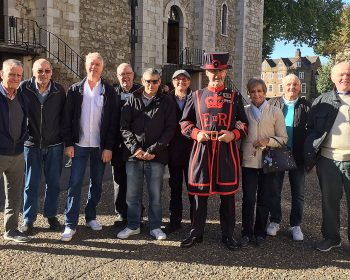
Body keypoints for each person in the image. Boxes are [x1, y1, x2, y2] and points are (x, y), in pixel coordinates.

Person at [179, 52, 248, 249]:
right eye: (212, 71)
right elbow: (184, 123)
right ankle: (196, 233)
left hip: (226, 153)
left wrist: (233, 135)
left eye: (219, 70)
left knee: (227, 197)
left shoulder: (234, 97)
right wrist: (195, 134)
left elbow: (244, 125)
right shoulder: (196, 96)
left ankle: (227, 235)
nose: (216, 74)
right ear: (206, 72)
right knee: (199, 196)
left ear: (225, 72)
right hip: (202, 151)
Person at [61, 52, 118, 242]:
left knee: (97, 183)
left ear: (102, 67)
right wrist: (68, 143)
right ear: (86, 66)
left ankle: (91, 216)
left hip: (99, 147)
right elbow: (67, 119)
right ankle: (70, 223)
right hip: (79, 145)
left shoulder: (109, 91)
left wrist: (109, 147)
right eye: (91, 64)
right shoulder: (76, 89)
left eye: (97, 64)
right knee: (75, 183)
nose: (94, 67)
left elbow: (112, 123)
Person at [117, 68, 176, 240]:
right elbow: (124, 127)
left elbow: (170, 129)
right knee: (132, 195)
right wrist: (136, 149)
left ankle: (155, 227)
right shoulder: (132, 100)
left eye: (155, 81)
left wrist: (152, 150)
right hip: (133, 155)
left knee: (155, 195)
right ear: (142, 81)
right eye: (148, 81)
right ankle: (133, 225)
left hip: (156, 157)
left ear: (159, 82)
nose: (151, 85)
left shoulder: (166, 102)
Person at [304, 61, 350, 252]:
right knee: (329, 201)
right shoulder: (322, 101)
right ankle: (331, 237)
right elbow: (310, 129)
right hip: (328, 160)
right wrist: (310, 159)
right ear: (333, 77)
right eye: (341, 74)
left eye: (348, 74)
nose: (345, 77)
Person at [19, 58, 66, 235]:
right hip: (31, 144)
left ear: (51, 73)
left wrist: (64, 138)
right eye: (40, 71)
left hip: (54, 144)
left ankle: (51, 215)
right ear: (33, 72)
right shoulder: (24, 88)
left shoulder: (59, 90)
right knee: (31, 184)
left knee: (53, 183)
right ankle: (28, 219)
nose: (43, 74)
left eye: (47, 71)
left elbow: (64, 117)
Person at [239, 78, 287, 248]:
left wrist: (268, 140)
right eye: (253, 91)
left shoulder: (275, 112)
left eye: (259, 91)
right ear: (249, 94)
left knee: (265, 198)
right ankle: (246, 232)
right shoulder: (244, 111)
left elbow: (283, 139)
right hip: (249, 161)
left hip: (269, 161)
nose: (256, 94)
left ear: (265, 92)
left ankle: (260, 232)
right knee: (249, 198)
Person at [267, 74, 310, 241]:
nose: (292, 88)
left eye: (295, 85)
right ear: (282, 87)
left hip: (298, 156)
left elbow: (312, 132)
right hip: (277, 154)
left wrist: (310, 157)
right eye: (288, 85)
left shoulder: (306, 106)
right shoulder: (273, 103)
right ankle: (275, 221)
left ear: (299, 87)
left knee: (298, 193)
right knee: (274, 191)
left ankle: (295, 225)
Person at [0, 59, 30, 243]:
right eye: (11, 74)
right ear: (2, 74)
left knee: (14, 194)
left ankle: (10, 230)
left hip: (17, 153)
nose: (15, 78)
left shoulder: (22, 97)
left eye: (19, 75)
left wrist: (22, 140)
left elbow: (25, 121)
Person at [111, 63, 142, 227]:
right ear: (117, 76)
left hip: (136, 145)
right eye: (122, 74)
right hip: (118, 146)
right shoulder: (112, 93)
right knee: (119, 180)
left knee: (135, 181)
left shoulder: (141, 92)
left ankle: (137, 213)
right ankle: (121, 213)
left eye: (128, 74)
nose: (125, 77)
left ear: (133, 74)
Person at [164, 70, 194, 234]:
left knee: (193, 188)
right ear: (173, 81)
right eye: (177, 79)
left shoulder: (195, 98)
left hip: (191, 151)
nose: (181, 82)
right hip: (173, 151)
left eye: (184, 79)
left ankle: (195, 222)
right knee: (174, 188)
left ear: (189, 82)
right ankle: (175, 221)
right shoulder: (166, 99)